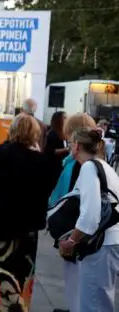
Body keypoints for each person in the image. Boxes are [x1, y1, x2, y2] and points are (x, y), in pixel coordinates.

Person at [0, 114, 61, 311]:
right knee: (24, 274)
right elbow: (50, 187)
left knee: (2, 275)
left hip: (1, 224)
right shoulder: (42, 160)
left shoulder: (3, 151)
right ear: (35, 133)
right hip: (28, 226)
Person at [57, 128, 119, 312]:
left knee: (93, 305)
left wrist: (71, 241)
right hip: (109, 242)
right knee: (100, 301)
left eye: (70, 143)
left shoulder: (89, 168)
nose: (69, 147)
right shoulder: (104, 167)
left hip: (100, 245)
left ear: (77, 146)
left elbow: (90, 217)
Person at [48, 113, 97, 312]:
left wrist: (70, 237)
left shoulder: (79, 165)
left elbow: (73, 201)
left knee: (75, 279)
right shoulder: (90, 161)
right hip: (81, 231)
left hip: (75, 232)